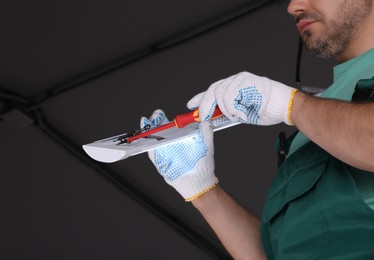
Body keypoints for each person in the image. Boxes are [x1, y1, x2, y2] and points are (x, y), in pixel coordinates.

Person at [141, 0, 374, 259]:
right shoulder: (316, 116)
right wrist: (202, 191)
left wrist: (294, 106)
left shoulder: (305, 111)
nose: (293, 6)